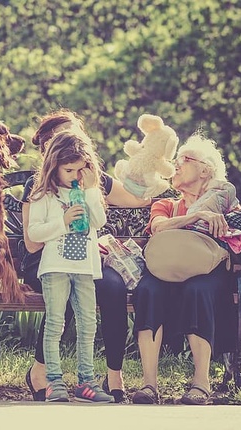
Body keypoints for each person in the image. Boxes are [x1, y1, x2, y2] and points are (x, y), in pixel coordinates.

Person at [23, 109, 151, 403]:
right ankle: (45, 373)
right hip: (48, 260)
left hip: (84, 261)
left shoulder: (91, 180)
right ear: (49, 149)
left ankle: (106, 376)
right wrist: (64, 222)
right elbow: (32, 242)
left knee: (110, 290)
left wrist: (157, 181)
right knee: (62, 304)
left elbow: (133, 202)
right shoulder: (39, 186)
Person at [131, 133, 238, 405]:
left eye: (184, 160)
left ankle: (201, 384)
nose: (175, 165)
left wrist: (222, 222)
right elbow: (157, 227)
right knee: (147, 289)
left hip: (206, 273)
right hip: (166, 269)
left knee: (197, 289)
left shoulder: (225, 201)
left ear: (205, 169)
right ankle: (149, 385)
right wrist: (196, 216)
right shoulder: (167, 204)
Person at [27, 129, 113, 403]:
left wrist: (89, 191)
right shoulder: (44, 195)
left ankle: (86, 381)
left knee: (88, 324)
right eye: (68, 169)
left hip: (86, 269)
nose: (75, 175)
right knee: (55, 324)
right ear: (54, 166)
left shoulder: (89, 192)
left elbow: (98, 221)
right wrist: (62, 222)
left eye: (80, 169)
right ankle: (54, 381)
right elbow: (35, 234)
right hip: (55, 268)